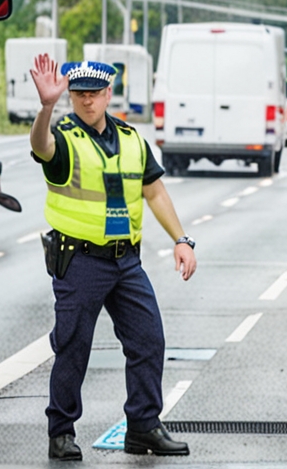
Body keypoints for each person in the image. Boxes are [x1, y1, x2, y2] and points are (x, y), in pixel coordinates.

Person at [29, 54, 197, 461]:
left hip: (126, 262)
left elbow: (154, 192)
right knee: (73, 347)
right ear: (71, 97)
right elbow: (41, 146)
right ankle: (61, 433)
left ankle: (142, 426)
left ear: (108, 95)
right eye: (78, 94)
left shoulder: (131, 139)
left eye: (94, 94)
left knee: (148, 339)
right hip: (80, 261)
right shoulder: (64, 138)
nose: (86, 101)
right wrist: (47, 106)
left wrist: (181, 239)